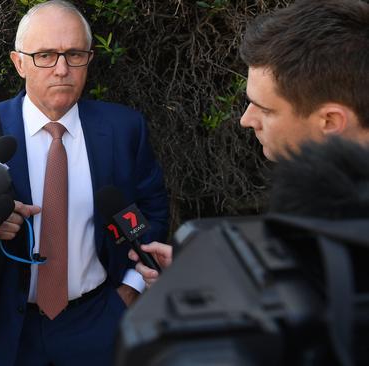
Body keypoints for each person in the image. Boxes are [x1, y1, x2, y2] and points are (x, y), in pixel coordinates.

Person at [0, 1, 169, 365]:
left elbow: (153, 209)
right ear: (19, 62)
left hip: (100, 319)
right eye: (45, 55)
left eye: (74, 54)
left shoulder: (124, 129)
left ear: (89, 59)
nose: (62, 69)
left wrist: (132, 288)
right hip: (10, 330)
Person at [132, 0, 369, 287]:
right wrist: (204, 275)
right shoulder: (334, 191)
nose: (246, 120)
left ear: (330, 121)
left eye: (266, 109)